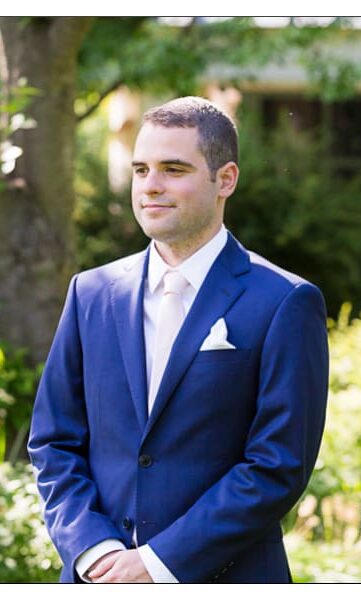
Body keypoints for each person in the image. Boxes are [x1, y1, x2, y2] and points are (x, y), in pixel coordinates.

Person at [28, 96, 328, 583]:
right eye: (141, 169)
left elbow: (278, 465)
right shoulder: (91, 293)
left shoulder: (285, 302)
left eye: (173, 168)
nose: (151, 186)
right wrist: (94, 549)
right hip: (96, 579)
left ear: (225, 179)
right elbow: (54, 441)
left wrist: (155, 563)